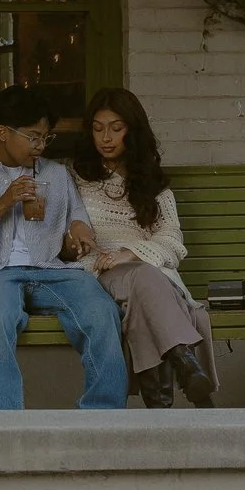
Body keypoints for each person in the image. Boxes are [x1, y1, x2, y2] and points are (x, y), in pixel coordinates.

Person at [0, 85, 131, 410]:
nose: (40, 146)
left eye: (46, 138)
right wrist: (4, 202)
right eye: (33, 137)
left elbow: (73, 231)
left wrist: (74, 241)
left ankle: (103, 418)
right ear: (4, 132)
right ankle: (4, 428)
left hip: (51, 272)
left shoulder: (56, 174)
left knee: (101, 310)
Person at [70, 87, 216, 408]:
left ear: (132, 131)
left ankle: (159, 407)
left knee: (144, 294)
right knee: (146, 280)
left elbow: (172, 242)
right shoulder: (77, 178)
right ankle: (185, 362)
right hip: (100, 275)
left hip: (146, 281)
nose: (105, 137)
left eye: (116, 128)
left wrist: (131, 254)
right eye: (97, 128)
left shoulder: (152, 183)